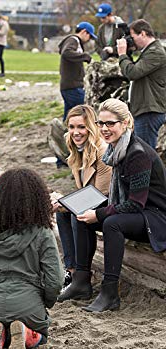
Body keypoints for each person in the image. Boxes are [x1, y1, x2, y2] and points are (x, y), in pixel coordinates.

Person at [60, 99, 166, 312]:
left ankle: (110, 293)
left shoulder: (137, 153)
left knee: (112, 224)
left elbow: (135, 204)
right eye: (101, 123)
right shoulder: (115, 148)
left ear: (125, 123)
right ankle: (81, 280)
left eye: (111, 124)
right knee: (79, 213)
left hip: (155, 217)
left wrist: (98, 214)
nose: (105, 129)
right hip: (138, 211)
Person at [0, 168, 64, 349]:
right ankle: (26, 333)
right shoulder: (42, 233)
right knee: (42, 334)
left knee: (0, 323)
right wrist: (45, 301)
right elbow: (56, 280)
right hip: (30, 305)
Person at [54, 105, 112, 291]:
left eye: (81, 127)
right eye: (72, 127)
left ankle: (82, 275)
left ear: (91, 127)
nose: (76, 132)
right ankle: (71, 270)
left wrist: (65, 203)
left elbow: (102, 194)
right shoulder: (77, 151)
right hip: (94, 202)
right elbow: (84, 192)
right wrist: (62, 203)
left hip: (110, 206)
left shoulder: (102, 152)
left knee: (75, 214)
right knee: (62, 213)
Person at [117, 19, 166, 149]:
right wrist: (129, 52)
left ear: (143, 33)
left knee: (146, 155)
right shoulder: (149, 51)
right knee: (142, 154)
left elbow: (133, 72)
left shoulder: (155, 52)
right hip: (144, 109)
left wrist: (122, 54)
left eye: (132, 37)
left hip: (149, 111)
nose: (131, 41)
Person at [59, 22, 96, 121]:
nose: (89, 40)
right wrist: (85, 56)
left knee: (70, 116)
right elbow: (66, 53)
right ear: (84, 32)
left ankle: (63, 134)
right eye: (90, 36)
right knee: (85, 113)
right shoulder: (73, 40)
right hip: (73, 86)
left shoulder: (74, 41)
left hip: (69, 86)